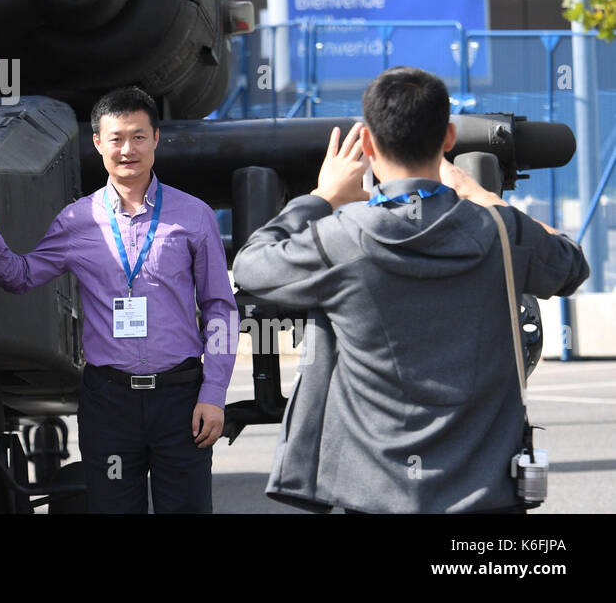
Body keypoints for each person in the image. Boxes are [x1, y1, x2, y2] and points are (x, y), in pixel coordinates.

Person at [232, 66, 588, 513]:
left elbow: (251, 266)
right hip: (486, 494)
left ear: (366, 144)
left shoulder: (341, 238)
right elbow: (570, 264)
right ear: (450, 137)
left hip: (374, 490)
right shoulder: (499, 232)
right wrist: (485, 199)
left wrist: (323, 196)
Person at [0, 86, 237, 513]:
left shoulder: (193, 215)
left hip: (181, 399)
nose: (128, 149)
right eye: (117, 138)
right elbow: (22, 276)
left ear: (156, 139)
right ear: (97, 143)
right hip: (110, 405)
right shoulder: (77, 221)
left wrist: (214, 391)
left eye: (139, 136)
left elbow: (220, 307)